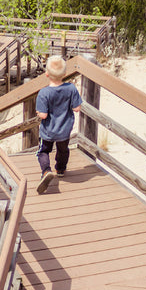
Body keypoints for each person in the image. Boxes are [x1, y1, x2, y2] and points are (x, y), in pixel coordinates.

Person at [35, 55, 82, 194]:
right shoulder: (71, 89)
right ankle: (60, 169)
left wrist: (38, 113)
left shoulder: (44, 93)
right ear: (65, 74)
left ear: (47, 74)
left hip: (48, 131)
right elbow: (76, 108)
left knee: (43, 151)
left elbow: (43, 115)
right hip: (64, 130)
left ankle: (46, 171)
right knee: (63, 150)